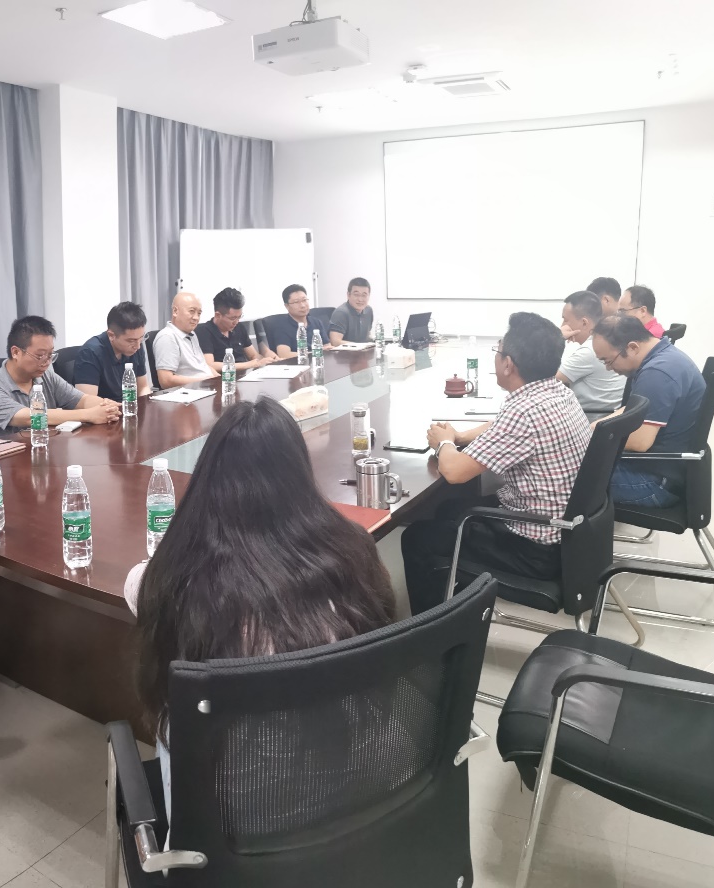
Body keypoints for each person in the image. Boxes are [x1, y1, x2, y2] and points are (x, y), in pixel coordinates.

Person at [126, 398, 395, 823]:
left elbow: (136, 586)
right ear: (299, 475)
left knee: (174, 716)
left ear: (208, 480)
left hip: (227, 832)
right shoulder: (354, 553)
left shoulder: (173, 582)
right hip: (350, 802)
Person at [401, 313, 589, 615]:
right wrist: (461, 436)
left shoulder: (524, 412)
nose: (496, 358)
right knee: (450, 509)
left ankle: (430, 630)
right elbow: (500, 426)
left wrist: (444, 442)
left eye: (497, 351)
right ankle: (458, 602)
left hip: (534, 549)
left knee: (417, 538)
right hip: (566, 534)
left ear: (508, 364)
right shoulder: (557, 393)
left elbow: (454, 472)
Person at [594, 315, 706, 508]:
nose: (608, 368)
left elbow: (639, 442)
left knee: (562, 480)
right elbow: (632, 408)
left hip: (654, 482)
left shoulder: (658, 373)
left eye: (608, 361)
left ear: (632, 347)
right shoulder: (665, 357)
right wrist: (594, 427)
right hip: (663, 471)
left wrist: (590, 439)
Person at [0, 315, 120, 437]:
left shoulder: (45, 377)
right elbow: (32, 417)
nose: (47, 362)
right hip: (4, 459)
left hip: (41, 451)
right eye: (40, 355)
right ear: (16, 352)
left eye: (50, 355)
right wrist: (90, 415)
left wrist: (108, 407)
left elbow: (81, 400)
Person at [556, 291, 625, 413]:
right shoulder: (604, 340)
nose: (562, 325)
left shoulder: (590, 350)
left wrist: (557, 338)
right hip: (606, 415)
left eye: (565, 320)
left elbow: (546, 379)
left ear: (584, 322)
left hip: (589, 418)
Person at [73, 301, 153, 401]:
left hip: (129, 407)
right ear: (111, 335)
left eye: (141, 338)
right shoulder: (90, 353)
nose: (137, 346)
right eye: (131, 341)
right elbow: (87, 402)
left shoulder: (136, 347)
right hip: (105, 409)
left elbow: (143, 387)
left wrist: (146, 404)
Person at [195, 287, 277, 373]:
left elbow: (253, 355)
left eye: (239, 317)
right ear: (218, 315)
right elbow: (210, 365)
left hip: (245, 377)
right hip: (223, 378)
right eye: (233, 318)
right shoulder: (203, 331)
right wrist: (248, 365)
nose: (236, 322)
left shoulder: (239, 328)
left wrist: (270, 361)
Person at [151, 291, 215, 389]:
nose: (196, 318)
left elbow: (202, 366)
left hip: (205, 388)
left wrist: (219, 379)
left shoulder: (191, 334)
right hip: (190, 392)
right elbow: (166, 381)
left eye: (199, 313)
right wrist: (206, 381)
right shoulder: (167, 337)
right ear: (175, 311)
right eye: (192, 311)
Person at [265, 284, 330, 360]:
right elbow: (284, 354)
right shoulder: (281, 326)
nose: (303, 305)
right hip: (295, 364)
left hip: (318, 362)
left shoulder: (316, 322)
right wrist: (314, 353)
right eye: (296, 302)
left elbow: (327, 346)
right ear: (287, 306)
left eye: (304, 300)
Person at [328, 277, 374, 345]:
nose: (360, 299)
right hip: (346, 351)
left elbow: (367, 336)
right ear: (348, 295)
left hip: (364, 350)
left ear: (369, 296)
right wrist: (360, 346)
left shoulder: (368, 311)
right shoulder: (341, 313)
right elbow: (335, 341)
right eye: (356, 295)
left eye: (364, 295)